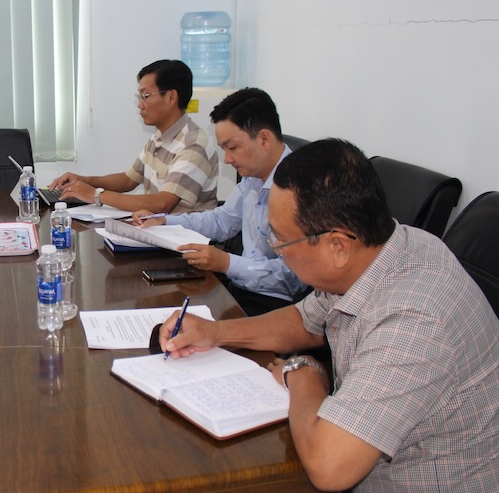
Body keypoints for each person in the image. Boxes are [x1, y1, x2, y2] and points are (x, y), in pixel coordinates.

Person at [158, 139, 499, 492]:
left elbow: (330, 468)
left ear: (336, 246)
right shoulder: (385, 248)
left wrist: (303, 374)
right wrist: (215, 332)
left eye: (281, 240)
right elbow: (305, 321)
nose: (274, 247)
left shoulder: (415, 321)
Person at [133, 87, 305, 316]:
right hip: (241, 289)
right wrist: (164, 221)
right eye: (224, 149)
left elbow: (293, 278)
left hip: (277, 306)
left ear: (264, 138)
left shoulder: (301, 187)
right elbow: (222, 221)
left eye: (232, 148)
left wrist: (227, 263)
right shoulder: (252, 179)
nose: (227, 159)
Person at [49, 59, 218, 214]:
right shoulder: (160, 136)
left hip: (183, 241)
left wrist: (95, 194)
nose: (140, 104)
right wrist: (84, 181)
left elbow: (162, 204)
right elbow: (128, 180)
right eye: (139, 96)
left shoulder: (193, 145)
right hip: (156, 230)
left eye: (145, 96)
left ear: (171, 97)